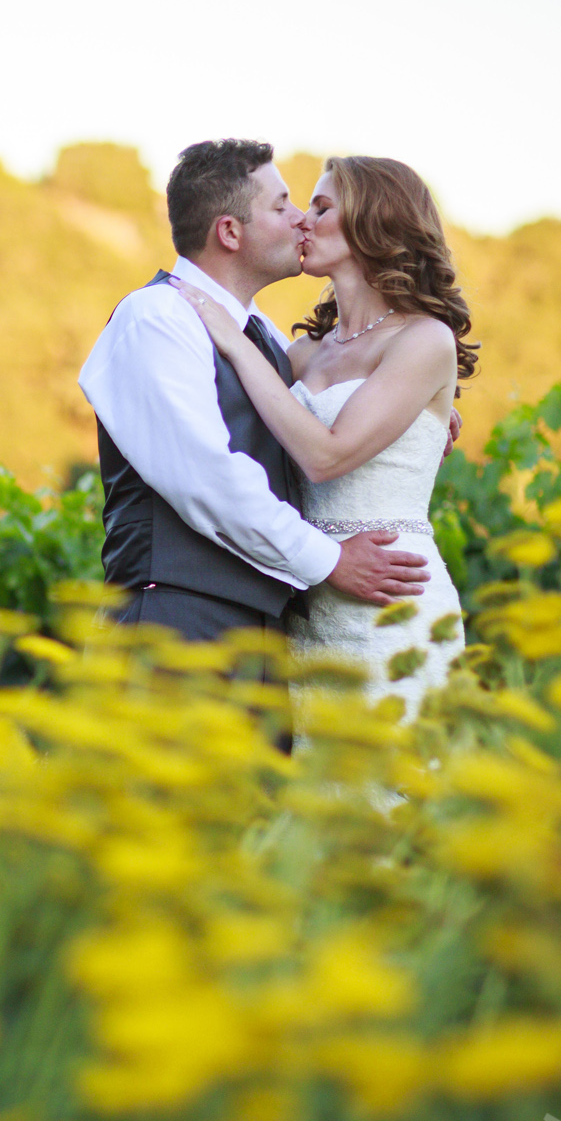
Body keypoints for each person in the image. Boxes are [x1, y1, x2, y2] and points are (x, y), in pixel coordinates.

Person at [169, 154, 475, 720]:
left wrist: (234, 343)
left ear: (373, 223)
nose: (303, 221)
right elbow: (257, 433)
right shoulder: (301, 353)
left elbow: (325, 455)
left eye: (322, 206)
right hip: (311, 604)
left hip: (393, 595)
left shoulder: (424, 340)